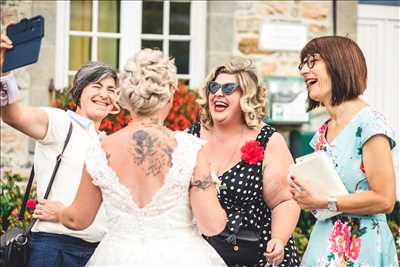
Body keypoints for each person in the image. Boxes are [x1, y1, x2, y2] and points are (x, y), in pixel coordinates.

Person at [33, 48, 228, 266]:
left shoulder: (100, 149)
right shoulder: (190, 149)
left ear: (125, 95)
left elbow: (78, 220)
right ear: (170, 91)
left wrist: (60, 212)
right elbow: (212, 225)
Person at [0, 34, 119, 267]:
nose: (104, 94)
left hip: (99, 251)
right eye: (97, 86)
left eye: (111, 89)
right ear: (79, 91)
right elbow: (14, 116)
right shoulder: (60, 123)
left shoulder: (107, 142)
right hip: (55, 247)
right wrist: (4, 72)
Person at [291, 36, 398, 266]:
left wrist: (324, 201)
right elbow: (324, 198)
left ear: (338, 64)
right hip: (323, 243)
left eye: (312, 62)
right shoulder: (322, 132)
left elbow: (385, 199)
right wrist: (307, 199)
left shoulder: (370, 125)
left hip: (363, 247)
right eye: (303, 64)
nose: (303, 71)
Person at [187, 57, 300, 267]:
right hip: (203, 254)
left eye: (229, 88)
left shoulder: (267, 140)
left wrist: (279, 239)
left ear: (246, 96)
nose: (219, 93)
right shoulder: (190, 137)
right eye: (214, 87)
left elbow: (285, 200)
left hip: (258, 254)